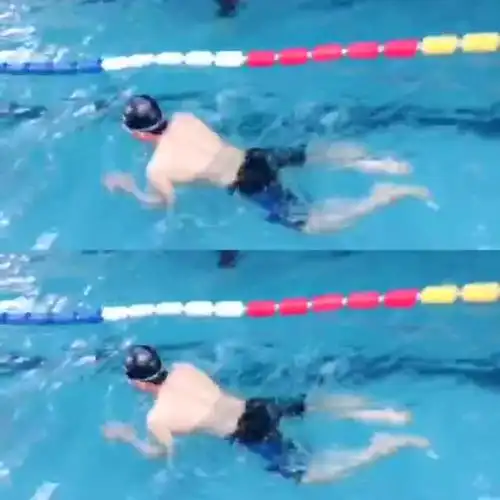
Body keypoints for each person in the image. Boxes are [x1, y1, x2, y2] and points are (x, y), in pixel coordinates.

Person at [104, 95, 433, 234]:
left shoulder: (157, 168)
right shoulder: (185, 118)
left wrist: (129, 188)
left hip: (250, 184)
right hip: (256, 155)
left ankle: (380, 196)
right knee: (312, 155)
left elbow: (164, 204)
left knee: (312, 224)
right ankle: (375, 163)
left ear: (140, 135)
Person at [102, 345, 430, 484]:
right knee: (313, 406)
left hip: (250, 434)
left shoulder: (157, 418)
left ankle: (382, 445)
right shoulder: (185, 368)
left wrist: (127, 437)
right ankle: (383, 414)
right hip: (255, 405)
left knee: (309, 475)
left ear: (139, 384)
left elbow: (162, 454)